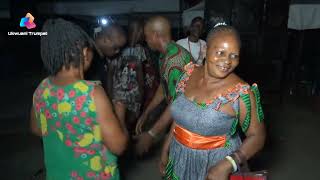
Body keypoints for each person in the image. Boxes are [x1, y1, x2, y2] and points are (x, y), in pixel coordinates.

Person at [160, 22, 266, 180]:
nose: (227, 61)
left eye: (234, 55)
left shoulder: (240, 93)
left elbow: (258, 136)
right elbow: (180, 118)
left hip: (215, 165)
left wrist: (228, 164)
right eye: (220, 52)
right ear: (205, 50)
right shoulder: (188, 74)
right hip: (179, 157)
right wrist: (165, 149)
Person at [30, 18, 128, 179]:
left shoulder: (42, 88)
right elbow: (118, 146)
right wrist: (120, 114)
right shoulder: (92, 93)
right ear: (84, 52)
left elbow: (36, 128)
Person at [134, 16, 193, 155]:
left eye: (147, 36)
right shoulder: (165, 55)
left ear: (155, 35)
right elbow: (163, 87)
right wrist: (146, 113)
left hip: (187, 121)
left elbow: (177, 104)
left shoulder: (174, 61)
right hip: (179, 116)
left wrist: (151, 134)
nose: (146, 40)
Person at [112, 19, 148, 134]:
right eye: (142, 31)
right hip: (123, 95)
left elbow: (141, 75)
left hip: (130, 95)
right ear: (137, 31)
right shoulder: (120, 47)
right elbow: (112, 71)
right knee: (122, 126)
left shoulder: (138, 49)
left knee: (126, 126)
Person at [93, 24, 127, 98]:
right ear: (106, 40)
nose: (118, 51)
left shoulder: (103, 56)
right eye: (116, 47)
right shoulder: (89, 58)